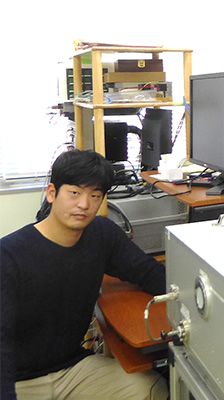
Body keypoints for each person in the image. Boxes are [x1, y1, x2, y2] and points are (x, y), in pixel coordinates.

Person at [1, 150, 168, 400]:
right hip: (18, 380)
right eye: (75, 193)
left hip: (72, 370)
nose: (84, 204)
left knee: (151, 388)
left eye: (95, 195)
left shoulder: (101, 235)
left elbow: (146, 271)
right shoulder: (9, 255)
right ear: (52, 193)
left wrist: (190, 298)